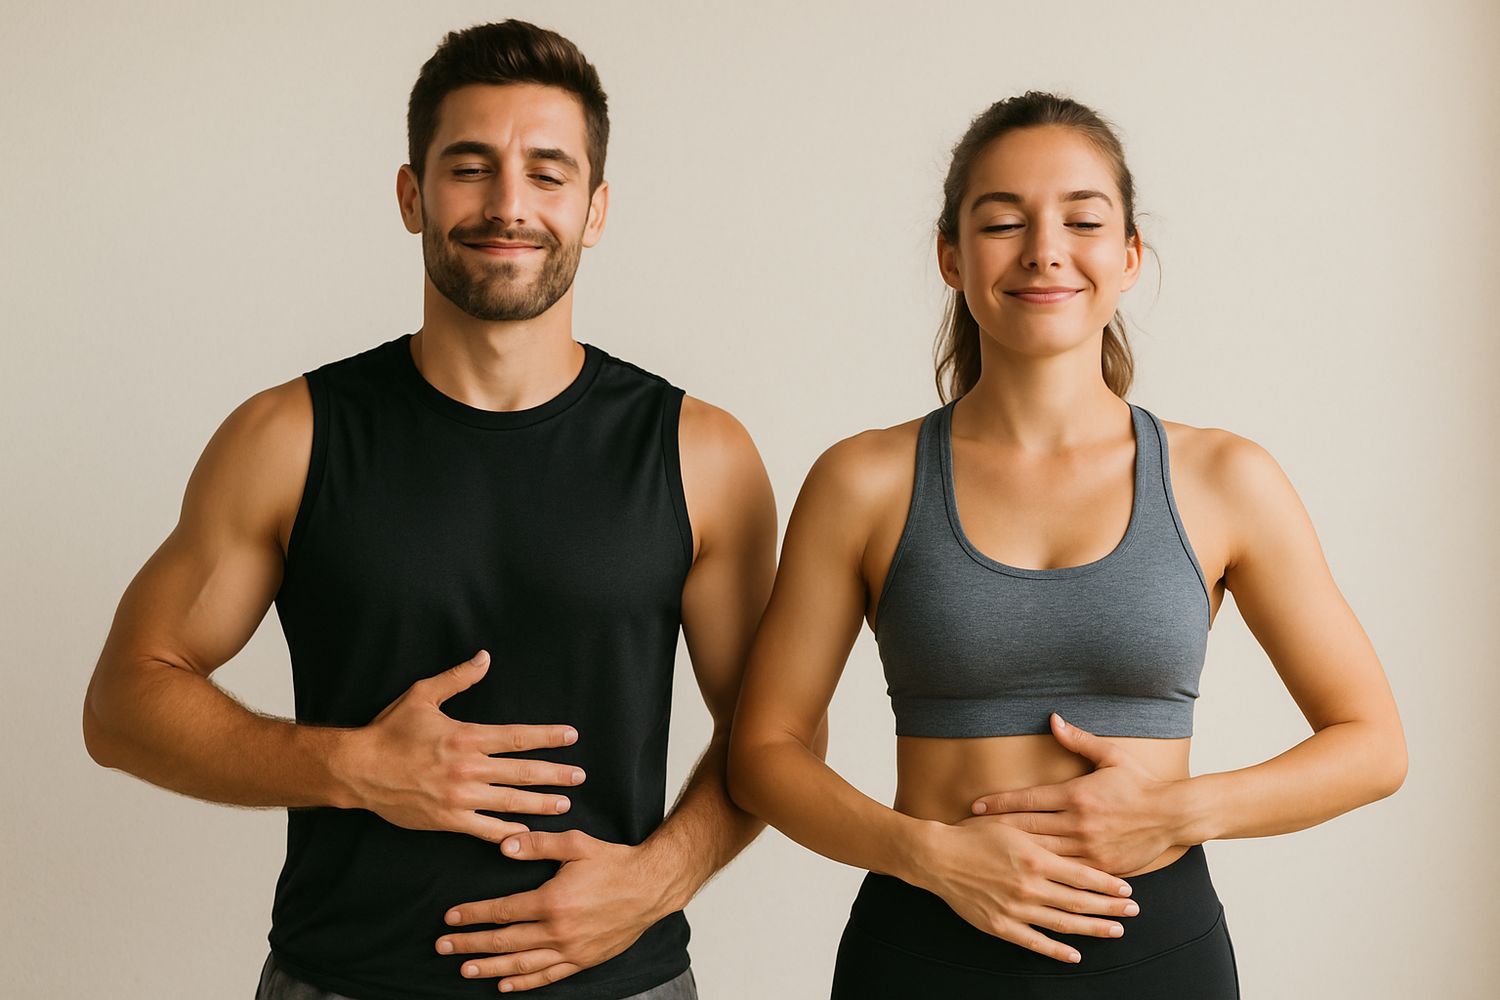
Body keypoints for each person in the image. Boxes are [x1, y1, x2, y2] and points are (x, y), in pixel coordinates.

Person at [83, 20, 776, 1000]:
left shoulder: (700, 453)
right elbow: (121, 703)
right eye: (469, 167)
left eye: (548, 172)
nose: (508, 205)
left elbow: (776, 732)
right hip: (343, 981)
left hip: (619, 984)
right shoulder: (290, 436)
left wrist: (654, 883)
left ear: (596, 208)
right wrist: (350, 766)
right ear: (412, 195)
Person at [726, 92, 1406, 998]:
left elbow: (1373, 745)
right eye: (1003, 222)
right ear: (951, 256)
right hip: (923, 949)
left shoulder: (1223, 479)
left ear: (1127, 257)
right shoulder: (865, 480)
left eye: (1082, 220)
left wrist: (1178, 815)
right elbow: (762, 752)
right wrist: (928, 855)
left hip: (1159, 954)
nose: (1045, 248)